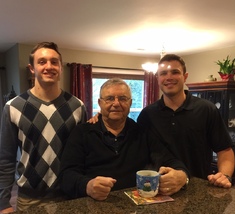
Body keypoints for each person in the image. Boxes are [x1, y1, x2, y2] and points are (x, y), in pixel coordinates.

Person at [60, 78, 190, 201]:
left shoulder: (143, 132)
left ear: (130, 103)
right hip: (93, 207)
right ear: (100, 103)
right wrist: (87, 186)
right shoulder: (81, 133)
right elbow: (66, 175)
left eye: (122, 98)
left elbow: (169, 159)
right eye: (109, 98)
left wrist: (182, 176)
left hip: (135, 211)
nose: (116, 103)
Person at [0, 42, 87, 214]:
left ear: (61, 68)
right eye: (42, 62)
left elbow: (83, 153)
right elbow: (5, 160)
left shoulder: (77, 106)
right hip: (29, 199)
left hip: (69, 196)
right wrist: (3, 203)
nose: (49, 66)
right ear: (32, 68)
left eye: (54, 62)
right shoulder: (13, 107)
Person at [137, 54, 235, 188]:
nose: (169, 77)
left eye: (175, 72)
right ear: (158, 79)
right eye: (163, 73)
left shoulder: (206, 109)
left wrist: (225, 175)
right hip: (158, 190)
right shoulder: (147, 115)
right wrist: (100, 118)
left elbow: (225, 150)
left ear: (185, 76)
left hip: (198, 190)